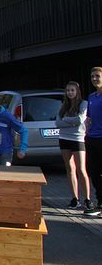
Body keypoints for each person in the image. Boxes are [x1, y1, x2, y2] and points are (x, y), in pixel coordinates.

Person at [54, 81, 91, 210]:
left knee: (81, 169)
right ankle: (75, 198)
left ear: (77, 91)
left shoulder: (83, 103)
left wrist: (66, 120)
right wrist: (70, 122)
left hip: (78, 139)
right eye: (68, 90)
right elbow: (57, 123)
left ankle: (87, 199)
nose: (70, 92)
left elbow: (80, 119)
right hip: (64, 138)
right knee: (70, 168)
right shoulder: (63, 106)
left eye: (72, 90)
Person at [84, 67, 102, 216]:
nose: (94, 79)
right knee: (93, 171)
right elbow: (89, 118)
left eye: (97, 76)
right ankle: (99, 203)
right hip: (92, 138)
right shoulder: (91, 97)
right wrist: (86, 132)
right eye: (92, 77)